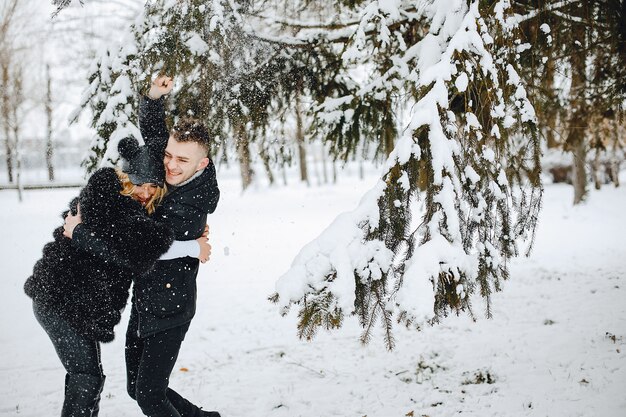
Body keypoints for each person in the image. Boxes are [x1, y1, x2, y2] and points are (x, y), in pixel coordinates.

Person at [24, 134, 210, 417]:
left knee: (89, 377)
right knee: (86, 377)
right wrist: (192, 246)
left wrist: (187, 239)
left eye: (152, 187)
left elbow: (133, 243)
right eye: (138, 184)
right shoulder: (106, 198)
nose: (145, 192)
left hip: (76, 304)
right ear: (125, 178)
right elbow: (127, 253)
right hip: (59, 301)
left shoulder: (135, 211)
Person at [74, 75, 221, 417]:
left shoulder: (193, 202)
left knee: (150, 396)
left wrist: (80, 233)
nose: (169, 164)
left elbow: (145, 248)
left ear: (202, 164)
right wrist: (155, 95)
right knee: (136, 388)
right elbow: (155, 130)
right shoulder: (169, 162)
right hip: (146, 298)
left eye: (182, 161)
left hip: (170, 307)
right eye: (170, 155)